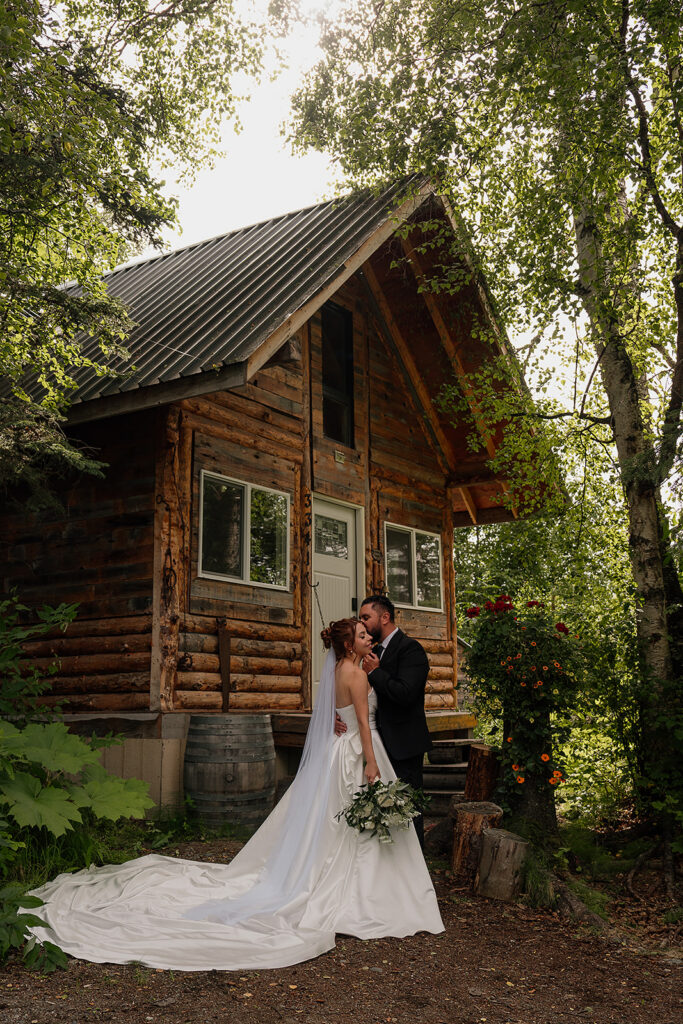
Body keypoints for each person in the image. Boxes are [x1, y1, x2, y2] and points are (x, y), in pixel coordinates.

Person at [26, 618, 443, 972]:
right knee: (351, 826)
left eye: (368, 631)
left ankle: (354, 883)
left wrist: (349, 722)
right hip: (356, 752)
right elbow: (363, 725)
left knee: (333, 826)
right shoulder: (356, 673)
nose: (369, 635)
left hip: (340, 749)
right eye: (362, 633)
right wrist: (371, 763)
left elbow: (339, 715)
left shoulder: (339, 672)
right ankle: (371, 894)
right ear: (350, 644)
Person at [337, 595, 431, 847]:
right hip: (375, 744)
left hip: (403, 744)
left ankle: (415, 865)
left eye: (366, 618)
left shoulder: (411, 650)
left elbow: (406, 694)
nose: (364, 625)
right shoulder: (370, 650)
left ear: (385, 617)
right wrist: (338, 716)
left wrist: (377, 672)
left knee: (409, 811)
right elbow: (351, 691)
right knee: (379, 810)